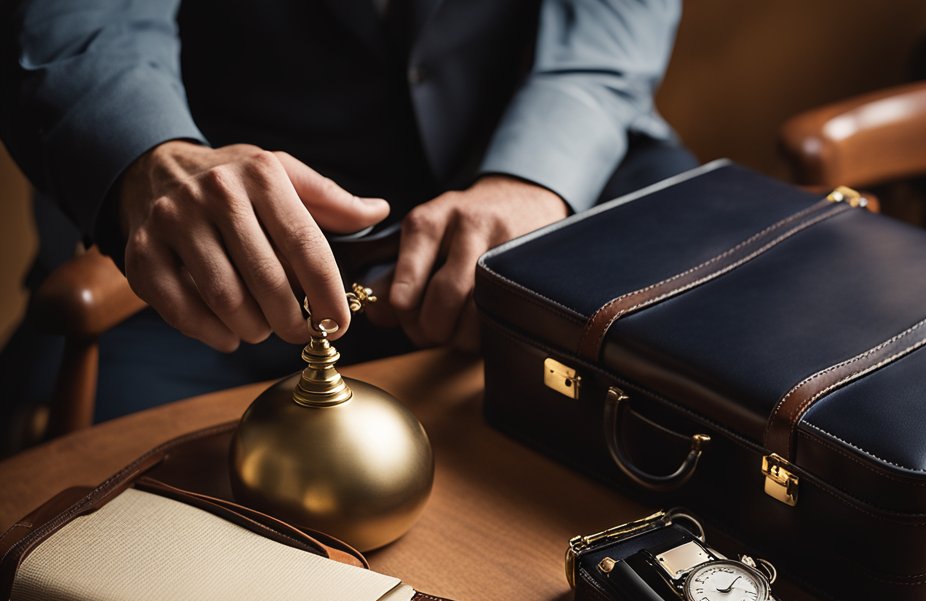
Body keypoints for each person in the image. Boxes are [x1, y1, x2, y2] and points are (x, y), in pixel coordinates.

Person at [3, 0, 694, 424]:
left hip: (558, 187)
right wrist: (152, 157)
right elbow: (78, 17)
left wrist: (535, 178)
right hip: (214, 271)